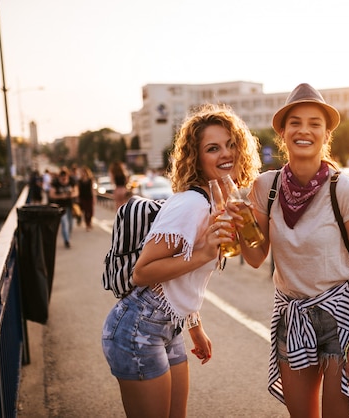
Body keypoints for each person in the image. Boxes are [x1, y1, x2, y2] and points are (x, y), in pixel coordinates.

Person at [232, 83, 349, 417]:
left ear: (325, 135)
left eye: (314, 123)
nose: (304, 130)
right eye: (295, 123)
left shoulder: (344, 188)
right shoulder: (267, 187)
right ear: (283, 132)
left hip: (341, 317)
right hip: (292, 316)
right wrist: (241, 223)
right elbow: (256, 258)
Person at [101, 103, 262, 418]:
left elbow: (182, 278)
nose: (226, 153)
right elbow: (142, 271)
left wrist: (194, 325)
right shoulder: (191, 204)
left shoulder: (221, 202)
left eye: (231, 145)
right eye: (213, 148)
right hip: (137, 327)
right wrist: (204, 253)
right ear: (197, 158)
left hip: (169, 326)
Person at [49, 167, 78, 248]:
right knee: (64, 223)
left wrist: (70, 194)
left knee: (71, 224)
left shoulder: (72, 181)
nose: (64, 180)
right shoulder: (55, 183)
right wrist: (62, 196)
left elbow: (76, 192)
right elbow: (51, 194)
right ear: (59, 178)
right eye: (62, 179)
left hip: (70, 205)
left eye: (65, 178)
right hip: (60, 207)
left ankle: (68, 235)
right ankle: (67, 240)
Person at [77, 166, 96, 231]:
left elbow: (92, 189)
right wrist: (78, 198)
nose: (83, 174)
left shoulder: (90, 180)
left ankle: (89, 222)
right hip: (83, 197)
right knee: (85, 211)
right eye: (82, 172)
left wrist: (94, 197)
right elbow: (78, 190)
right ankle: (87, 224)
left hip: (89, 197)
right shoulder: (79, 181)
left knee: (90, 211)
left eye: (84, 172)